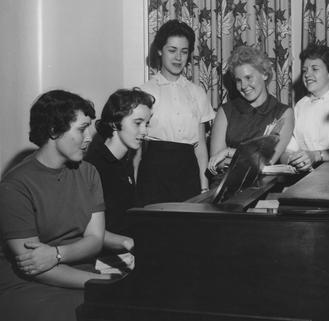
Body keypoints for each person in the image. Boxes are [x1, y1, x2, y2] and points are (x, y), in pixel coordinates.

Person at [0, 90, 132, 321]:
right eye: (81, 129)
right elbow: (33, 266)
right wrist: (104, 282)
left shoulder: (89, 173)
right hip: (30, 287)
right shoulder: (16, 185)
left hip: (82, 277)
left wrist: (58, 254)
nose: (89, 137)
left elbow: (94, 240)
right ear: (53, 130)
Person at [136, 19, 215, 205]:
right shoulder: (143, 92)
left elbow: (201, 146)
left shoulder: (197, 92)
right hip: (154, 173)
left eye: (184, 51)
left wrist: (204, 187)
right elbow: (137, 151)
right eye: (172, 50)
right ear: (159, 50)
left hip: (188, 173)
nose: (178, 58)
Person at [207, 46, 294, 176]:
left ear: (264, 74)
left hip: (261, 190)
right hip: (224, 185)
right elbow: (216, 162)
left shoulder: (284, 113)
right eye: (238, 80)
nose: (243, 86)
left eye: (249, 78)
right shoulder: (225, 111)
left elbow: (265, 163)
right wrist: (247, 159)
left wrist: (229, 152)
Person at [281, 44, 329, 172]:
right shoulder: (300, 105)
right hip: (303, 178)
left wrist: (317, 155)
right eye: (305, 70)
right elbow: (290, 146)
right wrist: (293, 159)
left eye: (315, 69)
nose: (307, 74)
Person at [85, 88, 154, 236]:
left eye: (147, 124)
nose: (145, 132)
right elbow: (90, 231)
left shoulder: (126, 161)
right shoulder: (94, 166)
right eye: (137, 123)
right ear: (115, 123)